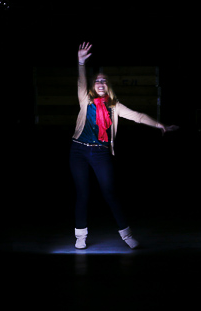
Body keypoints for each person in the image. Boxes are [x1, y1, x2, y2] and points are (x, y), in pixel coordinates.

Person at [70, 42, 178, 249]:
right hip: (78, 151)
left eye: (104, 80)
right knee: (82, 193)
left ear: (108, 86)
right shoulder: (85, 100)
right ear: (92, 86)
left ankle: (127, 235)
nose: (100, 83)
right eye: (97, 80)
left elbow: (138, 116)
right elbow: (81, 83)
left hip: (100, 153)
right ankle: (80, 236)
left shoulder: (115, 106)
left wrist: (160, 125)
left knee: (109, 192)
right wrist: (81, 62)